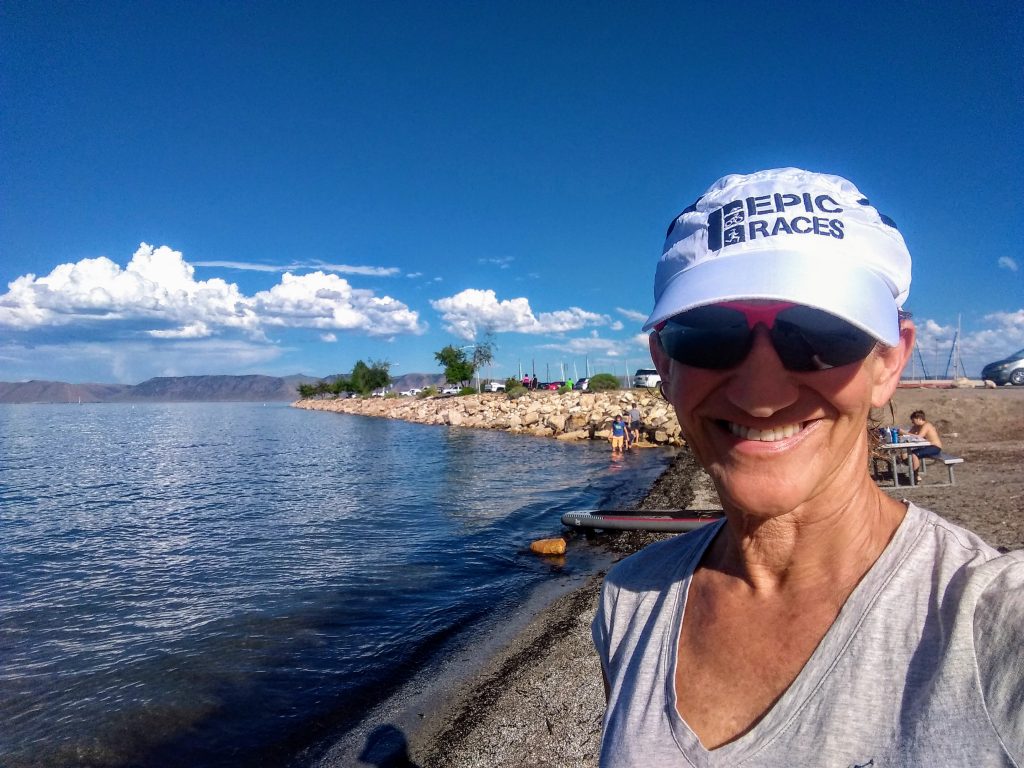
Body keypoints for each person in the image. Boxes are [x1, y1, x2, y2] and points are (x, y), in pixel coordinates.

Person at [592, 168, 1024, 766]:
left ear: (889, 362)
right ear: (664, 365)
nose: (761, 393)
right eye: (709, 334)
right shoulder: (631, 601)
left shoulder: (993, 619)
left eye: (820, 332)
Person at [902, 409, 943, 473]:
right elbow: (909, 435)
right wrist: (901, 433)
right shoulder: (917, 426)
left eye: (913, 420)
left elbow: (919, 436)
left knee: (914, 455)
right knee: (905, 454)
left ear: (919, 419)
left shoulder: (927, 425)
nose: (912, 422)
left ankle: (915, 476)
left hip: (935, 447)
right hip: (927, 446)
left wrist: (904, 432)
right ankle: (912, 469)